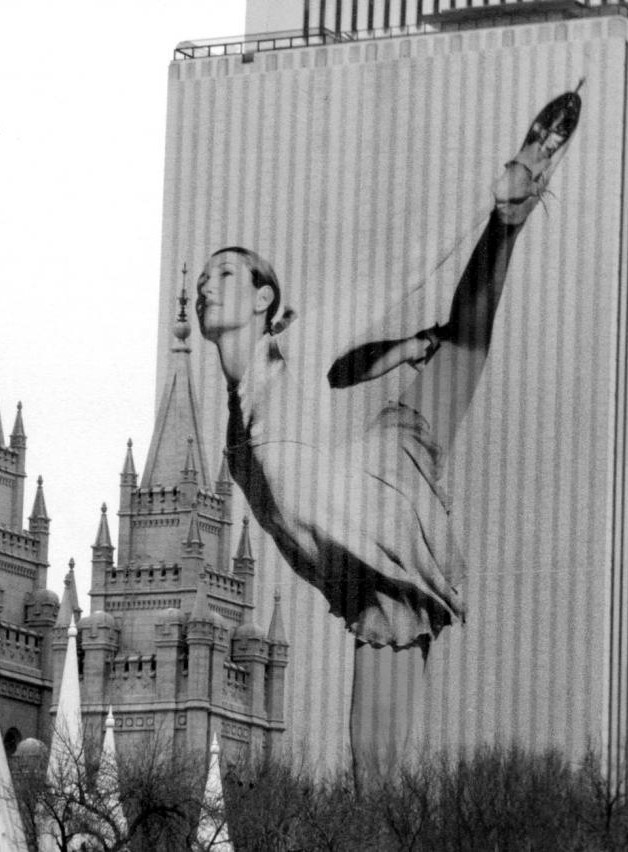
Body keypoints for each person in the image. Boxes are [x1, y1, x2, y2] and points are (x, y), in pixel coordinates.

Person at [195, 88, 582, 782]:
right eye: (201, 278)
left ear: (262, 298)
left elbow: (401, 276)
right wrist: (399, 351)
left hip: (379, 491)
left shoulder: (294, 341)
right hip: (359, 574)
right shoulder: (239, 406)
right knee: (372, 763)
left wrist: (478, 204)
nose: (204, 286)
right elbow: (338, 375)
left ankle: (508, 210)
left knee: (461, 354)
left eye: (223, 273)